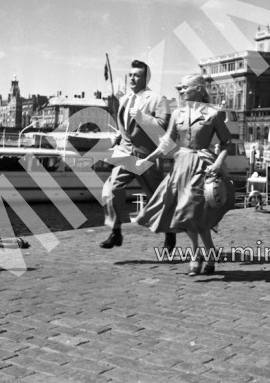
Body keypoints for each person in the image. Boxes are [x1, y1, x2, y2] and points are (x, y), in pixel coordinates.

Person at [134, 74, 235, 276]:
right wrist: (149, 160)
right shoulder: (177, 113)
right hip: (181, 166)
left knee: (193, 213)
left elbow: (227, 144)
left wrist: (217, 164)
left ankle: (199, 256)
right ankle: (205, 254)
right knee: (186, 215)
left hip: (202, 166)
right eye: (179, 88)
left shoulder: (213, 114)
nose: (181, 91)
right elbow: (167, 143)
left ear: (198, 89)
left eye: (185, 87)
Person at [99, 60, 173, 250]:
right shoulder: (124, 100)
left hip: (147, 156)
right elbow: (124, 127)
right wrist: (116, 137)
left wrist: (141, 116)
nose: (132, 78)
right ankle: (115, 232)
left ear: (146, 78)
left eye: (137, 75)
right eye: (130, 74)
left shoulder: (157, 99)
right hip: (125, 153)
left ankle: (169, 232)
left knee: (158, 197)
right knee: (112, 189)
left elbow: (164, 128)